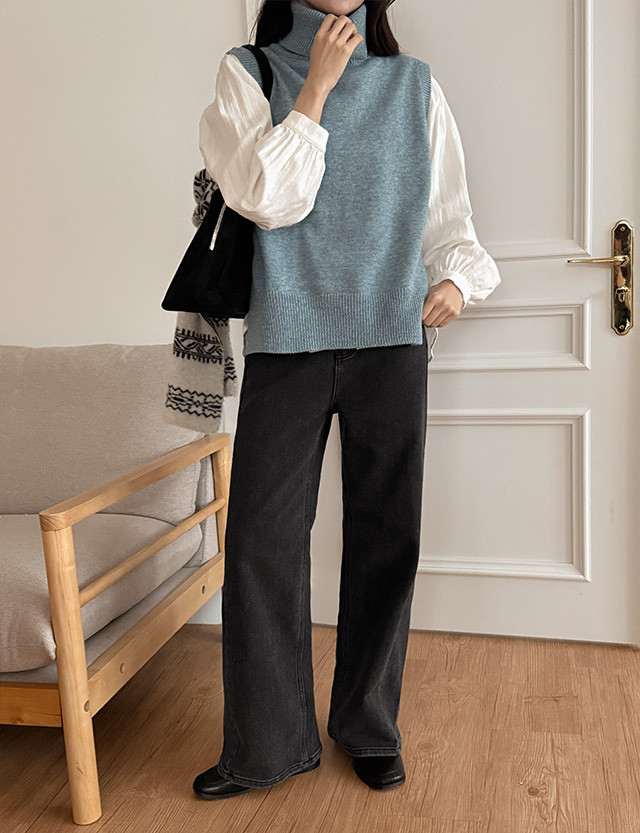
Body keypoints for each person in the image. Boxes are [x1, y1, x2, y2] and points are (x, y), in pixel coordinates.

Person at [192, 0, 501, 800]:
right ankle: (265, 744)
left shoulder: (414, 85)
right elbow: (267, 198)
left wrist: (457, 279)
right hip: (285, 343)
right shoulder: (247, 72)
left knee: (385, 537)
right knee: (260, 542)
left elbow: (450, 216)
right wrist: (315, 90)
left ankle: (368, 726)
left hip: (392, 340)